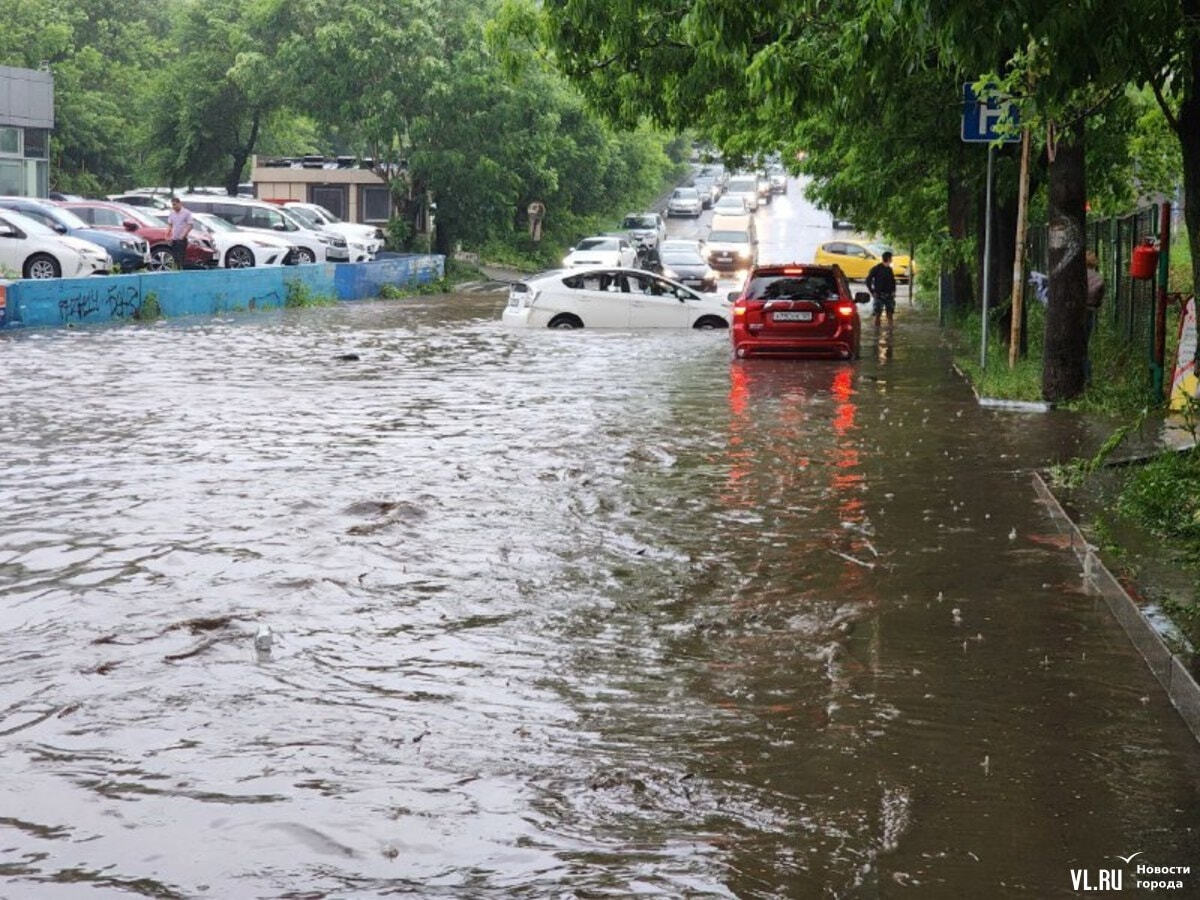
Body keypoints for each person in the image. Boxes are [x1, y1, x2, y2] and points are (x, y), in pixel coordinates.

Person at [1084, 250, 1106, 382]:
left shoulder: (1076, 276)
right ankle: (1087, 379)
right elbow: (1099, 300)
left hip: (1075, 312)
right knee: (1084, 345)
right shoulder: (1099, 278)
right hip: (1089, 312)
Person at [866, 250, 897, 327]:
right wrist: (872, 291)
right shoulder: (876, 268)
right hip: (879, 295)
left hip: (889, 295)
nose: (892, 259)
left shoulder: (889, 269)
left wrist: (893, 291)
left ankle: (890, 330)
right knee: (878, 314)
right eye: (891, 258)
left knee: (890, 314)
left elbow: (893, 281)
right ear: (888, 258)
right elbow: (868, 280)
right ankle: (877, 331)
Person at [165, 196, 193, 270]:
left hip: (182, 239)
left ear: (179, 204)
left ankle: (181, 270)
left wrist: (182, 236)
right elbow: (170, 225)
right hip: (174, 238)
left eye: (175, 204)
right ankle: (176, 270)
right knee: (175, 257)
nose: (173, 206)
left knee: (181, 257)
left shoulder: (186, 213)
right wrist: (167, 234)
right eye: (172, 205)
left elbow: (190, 225)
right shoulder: (172, 213)